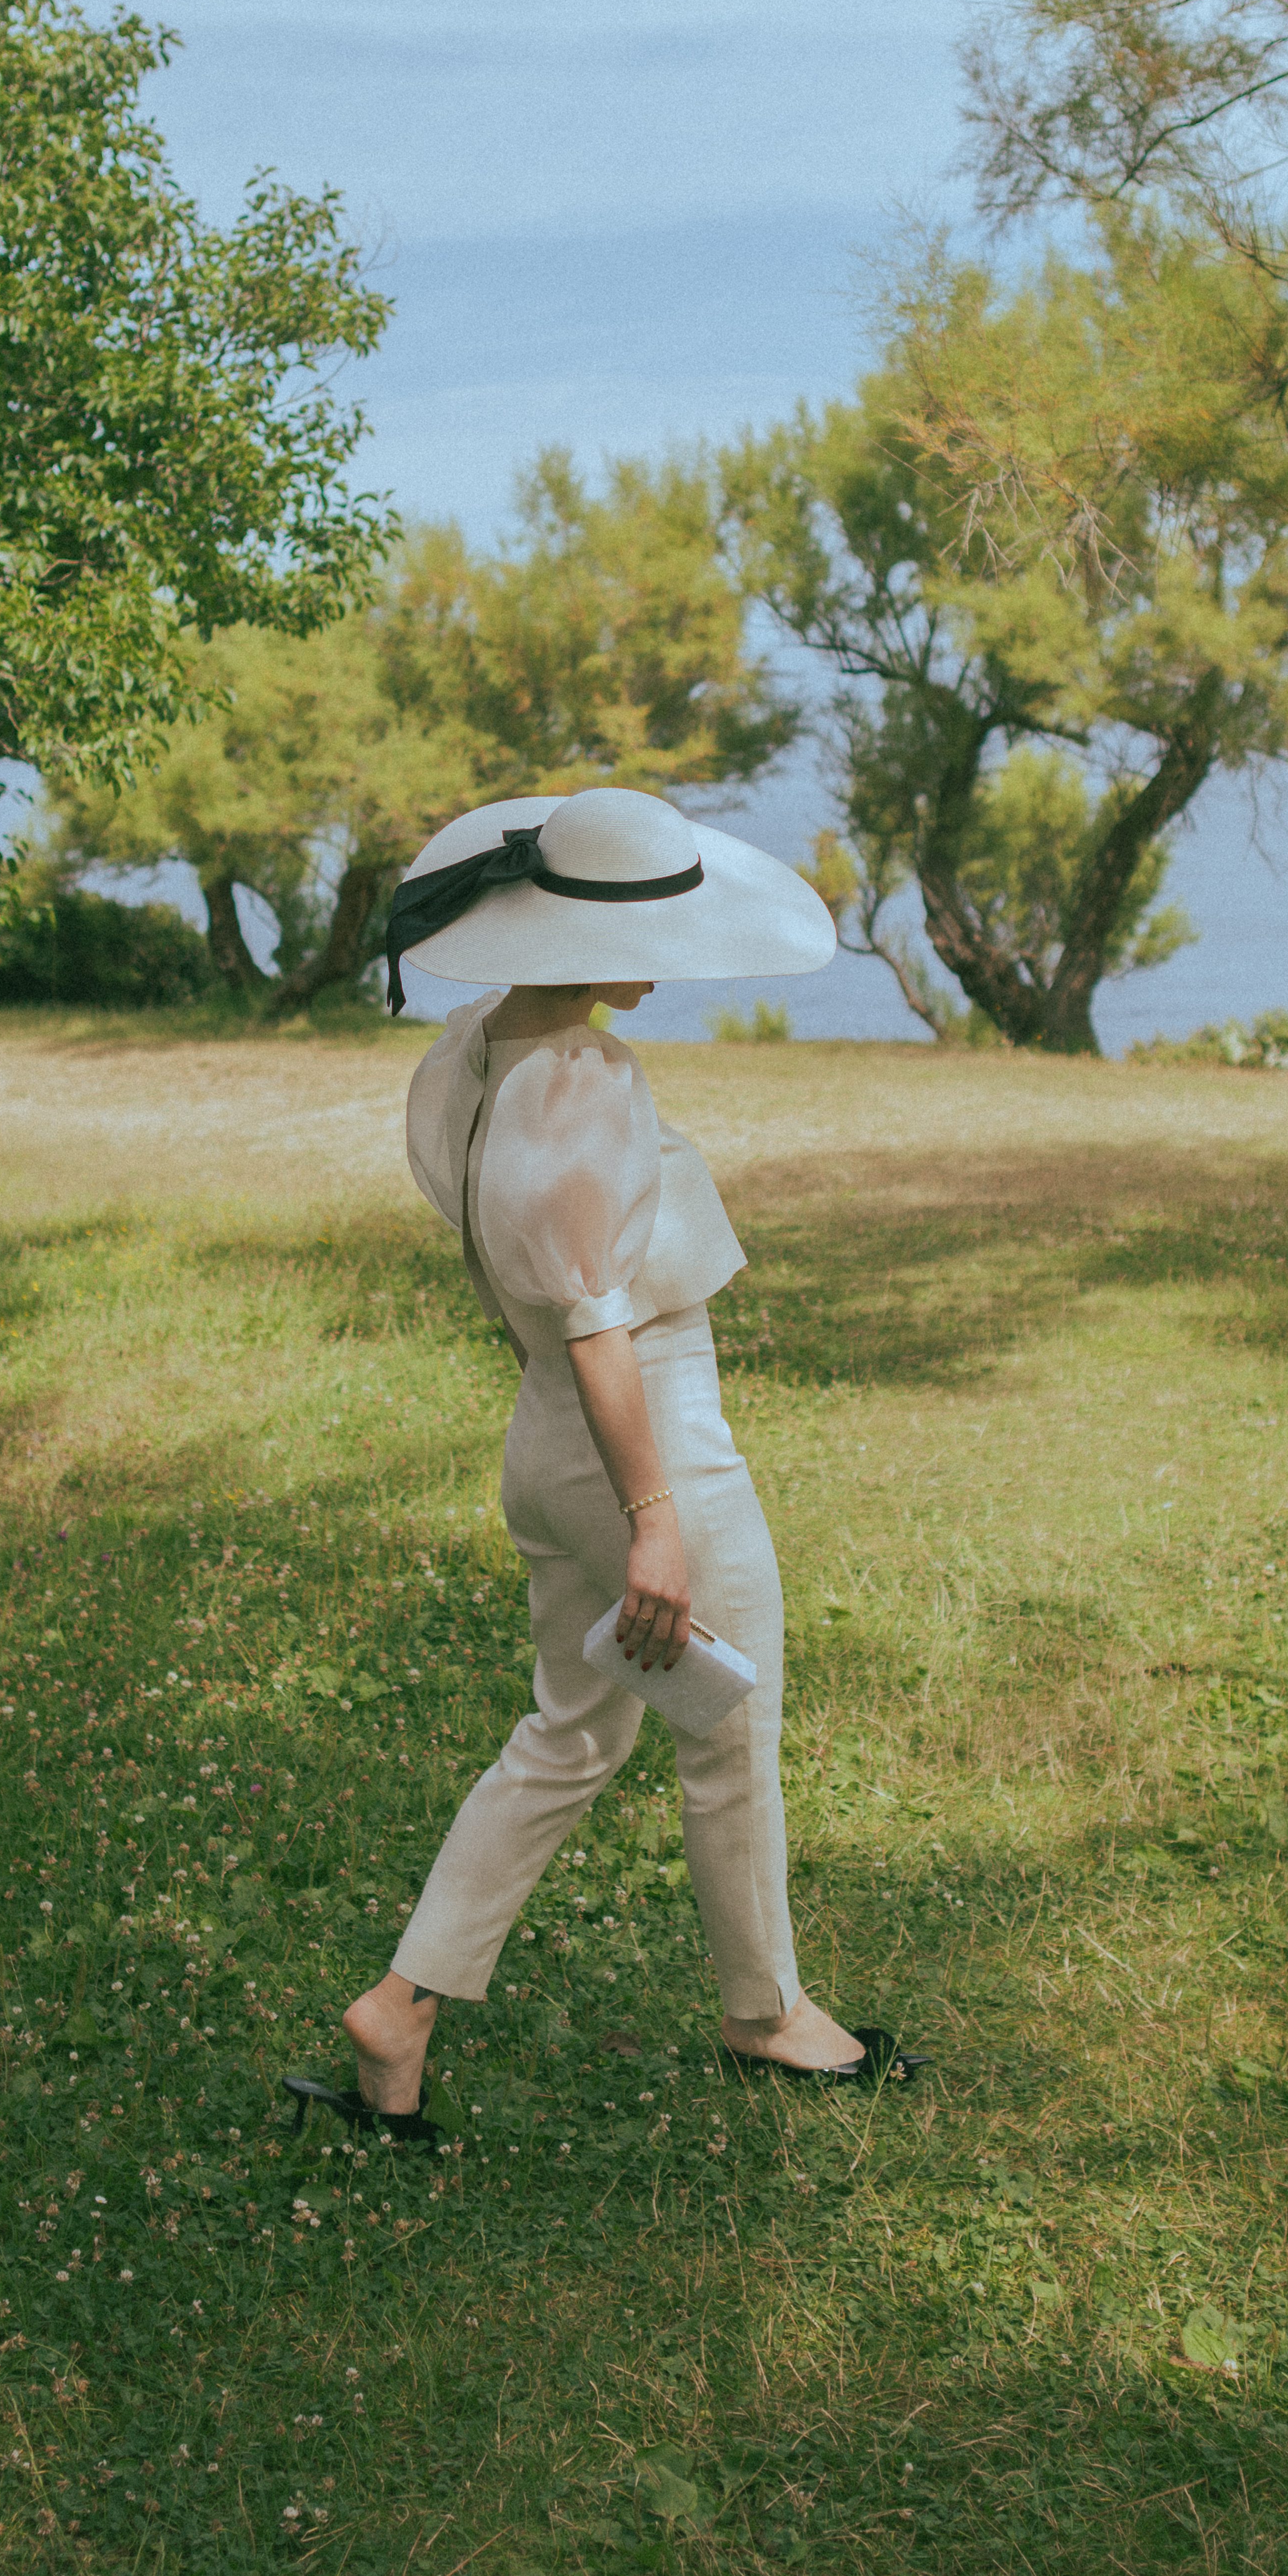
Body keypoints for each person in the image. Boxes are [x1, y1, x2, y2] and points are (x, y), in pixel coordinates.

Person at [284, 786, 923, 2146]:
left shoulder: (472, 1051)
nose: (672, 958)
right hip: (642, 1434)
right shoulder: (578, 1076)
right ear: (575, 933)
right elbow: (595, 1316)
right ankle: (768, 2015)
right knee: (731, 1728)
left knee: (572, 1731)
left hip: (545, 1439)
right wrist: (654, 1519)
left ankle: (402, 2008)